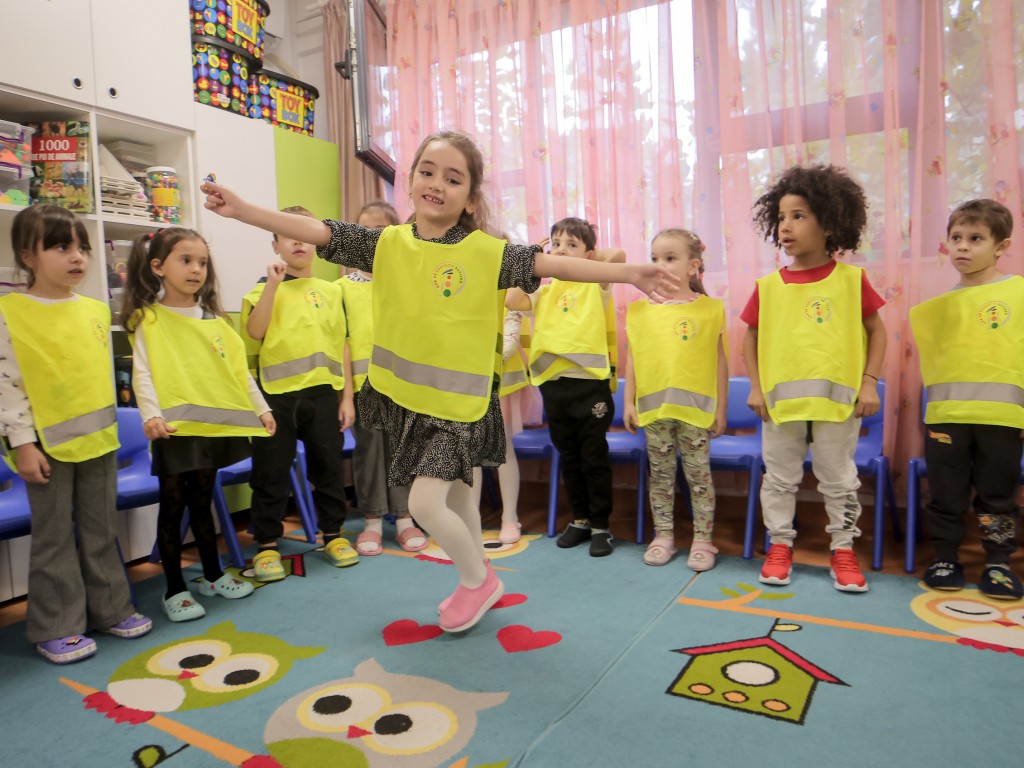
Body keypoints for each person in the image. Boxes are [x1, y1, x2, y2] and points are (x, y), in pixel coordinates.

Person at [202, 129, 679, 633]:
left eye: (453, 178)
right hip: (410, 399)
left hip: (465, 405)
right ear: (408, 181)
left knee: (423, 502)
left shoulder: (485, 251)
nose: (436, 184)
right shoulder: (385, 243)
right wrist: (243, 209)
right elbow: (317, 230)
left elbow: (549, 262)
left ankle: (477, 581)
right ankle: (481, 573)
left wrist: (630, 274)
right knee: (454, 500)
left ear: (470, 197)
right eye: (427, 172)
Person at [0, 205, 151, 664]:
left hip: (100, 442)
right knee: (53, 538)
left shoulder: (93, 309)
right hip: (45, 447)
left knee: (101, 530)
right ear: (28, 254)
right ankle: (57, 625)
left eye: (82, 247)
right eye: (61, 246)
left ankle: (111, 609)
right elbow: (7, 386)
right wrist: (23, 444)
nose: (77, 257)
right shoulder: (11, 312)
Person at [741, 164, 886, 593]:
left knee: (839, 480)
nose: (786, 226)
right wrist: (754, 387)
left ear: (830, 222)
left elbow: (877, 332)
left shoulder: (852, 280)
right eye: (782, 217)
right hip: (780, 406)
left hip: (836, 406)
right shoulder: (767, 286)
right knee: (780, 478)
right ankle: (779, 546)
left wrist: (869, 381)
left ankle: (843, 550)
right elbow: (750, 338)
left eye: (799, 216)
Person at [121, 227, 274, 621]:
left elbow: (238, 375)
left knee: (202, 505)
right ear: (158, 267)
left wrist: (261, 409)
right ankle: (173, 589)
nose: (196, 269)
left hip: (209, 431)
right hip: (172, 432)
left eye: (202, 262)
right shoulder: (149, 319)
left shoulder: (218, 323)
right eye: (185, 260)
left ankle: (211, 574)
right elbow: (143, 373)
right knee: (172, 510)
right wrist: (150, 414)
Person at [909, 199, 1024, 600]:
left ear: (1001, 245)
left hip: (1003, 420)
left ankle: (997, 563)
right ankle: (945, 557)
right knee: (946, 493)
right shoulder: (935, 309)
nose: (962, 246)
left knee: (998, 497)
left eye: (975, 238)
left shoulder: (1020, 293)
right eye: (956, 237)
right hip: (947, 417)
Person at [242, 206, 357, 581]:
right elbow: (256, 333)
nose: (298, 242)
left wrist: (346, 398)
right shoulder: (261, 291)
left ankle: (333, 535)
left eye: (306, 234)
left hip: (324, 394)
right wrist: (273, 285)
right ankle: (267, 545)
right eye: (288, 234)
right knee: (271, 472)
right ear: (275, 243)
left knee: (327, 469)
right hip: (277, 397)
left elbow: (343, 344)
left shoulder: (331, 291)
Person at [506, 219, 622, 557]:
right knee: (570, 458)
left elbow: (619, 255)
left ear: (588, 253)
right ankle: (581, 519)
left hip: (590, 387)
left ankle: (602, 525)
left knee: (593, 458)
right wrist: (533, 259)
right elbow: (513, 298)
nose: (560, 250)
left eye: (570, 244)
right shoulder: (544, 289)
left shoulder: (595, 281)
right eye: (555, 244)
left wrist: (583, 259)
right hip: (554, 387)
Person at [623, 228, 727, 571]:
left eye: (670, 258)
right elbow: (634, 358)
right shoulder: (641, 312)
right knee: (661, 476)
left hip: (696, 413)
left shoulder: (710, 310)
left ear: (693, 265)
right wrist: (628, 402)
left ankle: (703, 540)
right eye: (655, 258)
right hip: (655, 412)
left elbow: (719, 362)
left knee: (699, 478)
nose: (660, 265)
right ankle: (663, 536)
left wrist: (721, 408)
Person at [340, 201, 426, 556]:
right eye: (364, 230)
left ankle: (405, 518)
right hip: (364, 386)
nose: (371, 238)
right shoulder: (342, 288)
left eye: (380, 231)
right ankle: (373, 520)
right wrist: (346, 396)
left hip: (402, 385)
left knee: (404, 449)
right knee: (369, 453)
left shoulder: (406, 283)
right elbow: (341, 343)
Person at [471, 305, 529, 544]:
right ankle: (470, 517)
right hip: (470, 384)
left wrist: (472, 354)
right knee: (470, 452)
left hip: (500, 385)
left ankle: (509, 516)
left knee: (503, 450)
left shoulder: (510, 297)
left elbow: (508, 345)